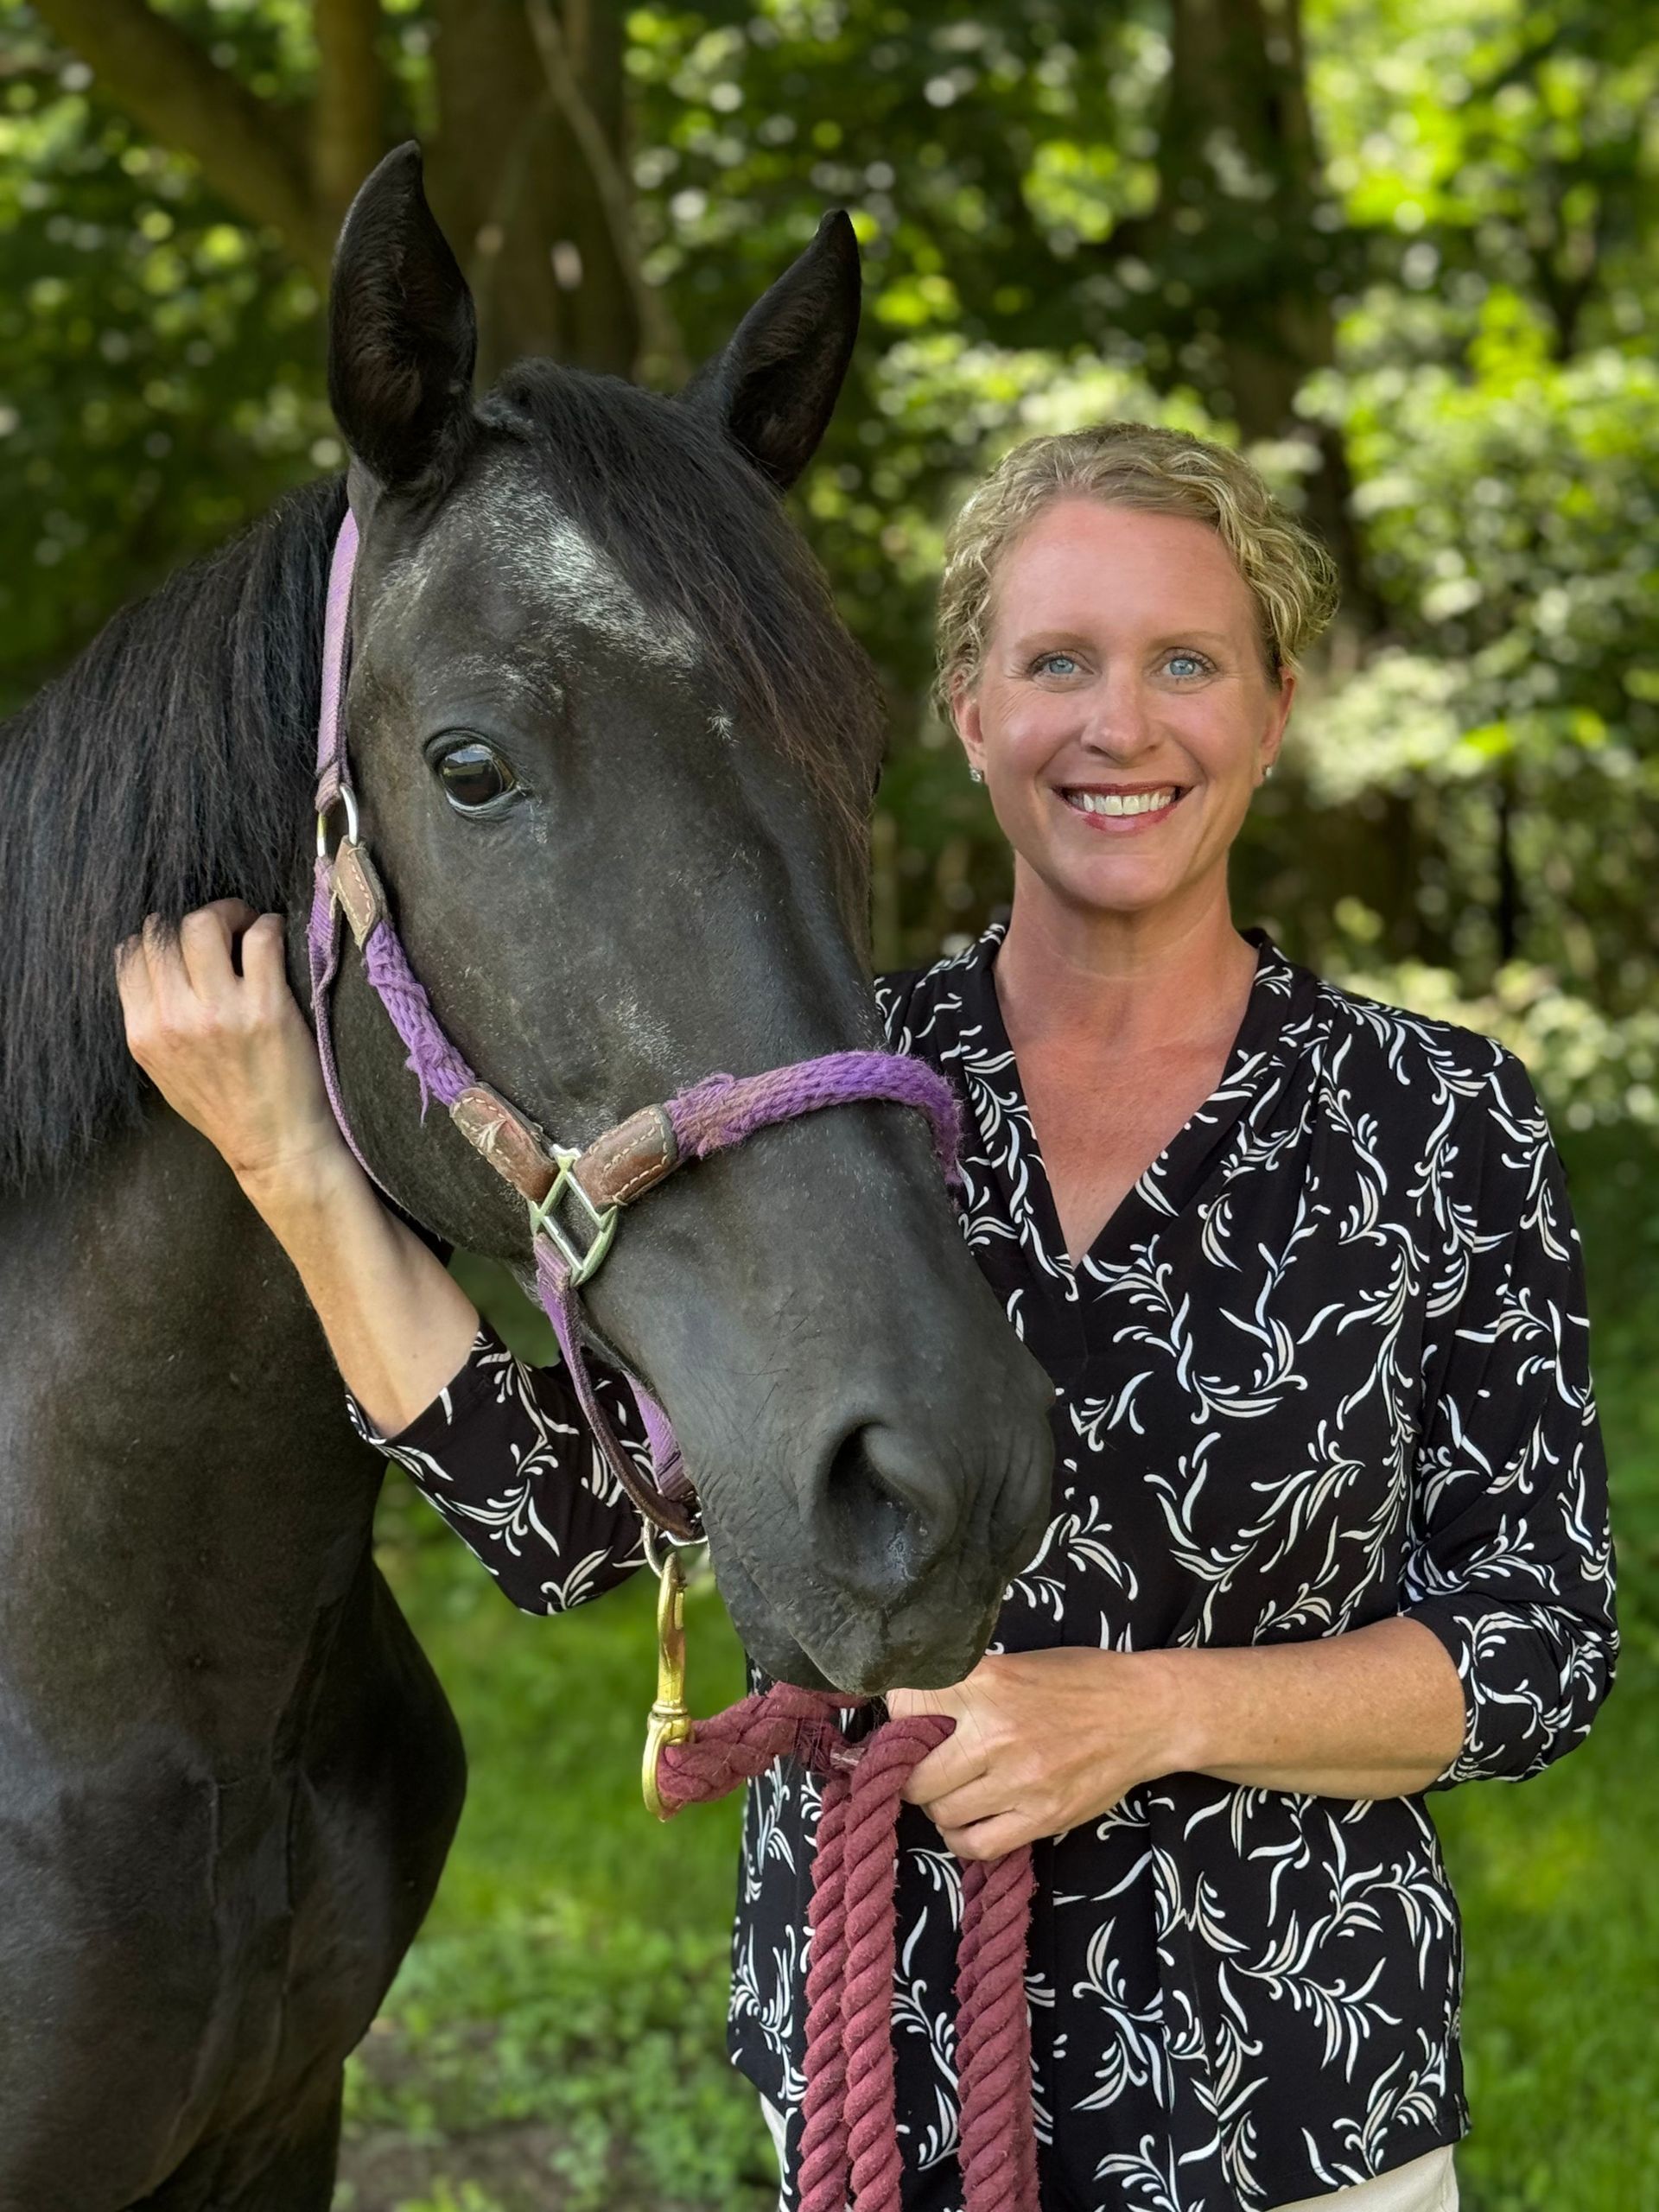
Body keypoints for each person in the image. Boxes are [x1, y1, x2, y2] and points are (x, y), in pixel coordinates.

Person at [117, 423, 1615, 2212]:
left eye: (1185, 662)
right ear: (969, 713)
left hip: (1288, 2102)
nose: (1117, 724)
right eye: (1055, 661)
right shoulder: (817, 1100)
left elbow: (1534, 1643)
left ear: (1272, 710)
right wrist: (291, 1160)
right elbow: (582, 1524)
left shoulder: (1431, 1119)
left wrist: (1137, 1714)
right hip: (865, 2099)